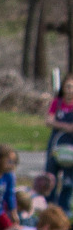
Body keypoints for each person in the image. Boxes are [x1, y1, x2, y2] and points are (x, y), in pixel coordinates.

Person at [45, 74, 73, 214]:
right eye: (67, 86)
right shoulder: (57, 103)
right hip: (55, 145)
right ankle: (50, 207)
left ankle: (64, 210)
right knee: (50, 178)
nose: (69, 90)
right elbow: (48, 121)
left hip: (70, 148)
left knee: (68, 181)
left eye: (72, 87)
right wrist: (65, 126)